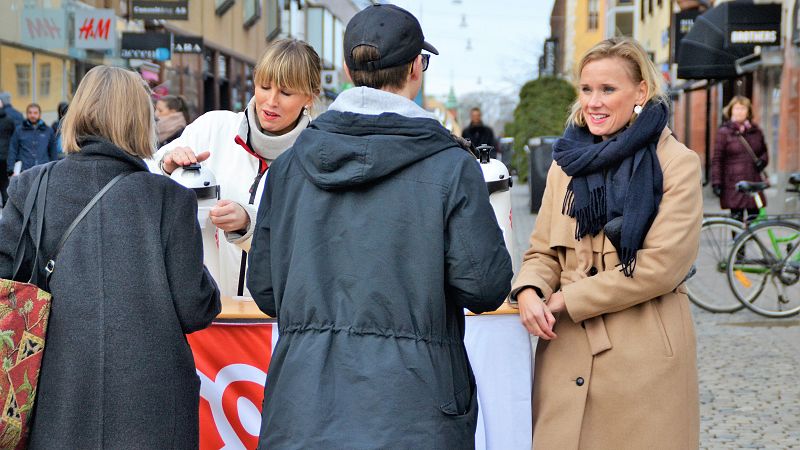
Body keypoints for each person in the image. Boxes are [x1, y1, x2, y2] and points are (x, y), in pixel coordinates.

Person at [247, 4, 513, 448]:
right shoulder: (451, 168)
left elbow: (266, 291)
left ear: (347, 70)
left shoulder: (289, 167)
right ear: (415, 68)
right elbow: (486, 287)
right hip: (416, 411)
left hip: (304, 407)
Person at [0, 66, 220, 448]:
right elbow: (194, 308)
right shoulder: (170, 198)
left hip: (53, 397)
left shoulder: (29, 188)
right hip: (151, 408)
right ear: (141, 121)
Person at [512, 37, 702, 449]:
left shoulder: (676, 164)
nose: (593, 102)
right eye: (586, 89)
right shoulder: (566, 165)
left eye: (608, 89)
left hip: (643, 357)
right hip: (565, 356)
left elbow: (661, 267)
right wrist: (529, 289)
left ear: (641, 92)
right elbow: (543, 252)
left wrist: (566, 299)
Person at [155, 38, 321, 297]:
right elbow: (145, 179)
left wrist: (250, 225)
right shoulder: (213, 128)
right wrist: (168, 168)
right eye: (264, 87)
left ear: (309, 97)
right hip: (207, 311)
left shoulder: (318, 157)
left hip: (276, 316)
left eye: (286, 92)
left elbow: (313, 248)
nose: (271, 101)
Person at [712, 95, 768, 221]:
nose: (739, 112)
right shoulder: (724, 132)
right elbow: (717, 159)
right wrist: (716, 182)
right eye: (736, 108)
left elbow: (764, 152)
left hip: (753, 181)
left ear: (748, 111)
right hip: (733, 184)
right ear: (731, 110)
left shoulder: (756, 131)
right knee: (736, 219)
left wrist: (762, 161)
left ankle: (750, 234)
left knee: (755, 218)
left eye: (743, 108)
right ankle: (738, 235)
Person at [8, 103, 58, 174]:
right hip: (24, 171)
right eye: (30, 113)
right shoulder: (19, 130)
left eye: (35, 113)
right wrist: (11, 169)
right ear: (27, 114)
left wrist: (54, 170)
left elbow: (53, 152)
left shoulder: (48, 131)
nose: (32, 115)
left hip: (43, 170)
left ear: (40, 114)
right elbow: (12, 150)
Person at [0, 99, 16, 205]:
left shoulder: (9, 120)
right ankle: (6, 204)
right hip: (5, 156)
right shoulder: (9, 120)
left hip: (4, 156)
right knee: (4, 183)